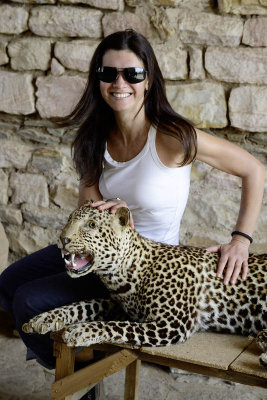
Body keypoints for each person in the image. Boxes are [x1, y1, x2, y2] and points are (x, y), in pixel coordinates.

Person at [0, 30, 265, 399]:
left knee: (28, 301)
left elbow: (254, 170)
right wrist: (109, 215)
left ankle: (82, 379)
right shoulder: (94, 137)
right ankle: (83, 369)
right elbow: (88, 208)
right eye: (109, 74)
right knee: (7, 282)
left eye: (132, 74)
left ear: (149, 80)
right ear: (98, 79)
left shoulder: (174, 137)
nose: (119, 83)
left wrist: (241, 240)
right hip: (99, 253)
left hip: (147, 269)